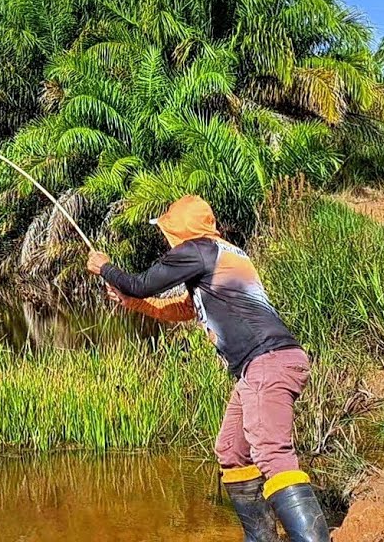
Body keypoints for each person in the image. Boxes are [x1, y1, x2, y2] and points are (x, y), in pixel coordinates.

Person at [85, 195, 327, 542]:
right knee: (231, 450)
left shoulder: (197, 249)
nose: (165, 239)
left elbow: (140, 282)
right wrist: (136, 304)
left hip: (267, 362)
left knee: (271, 452)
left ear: (180, 230)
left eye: (167, 231)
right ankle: (261, 538)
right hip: (259, 367)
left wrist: (105, 267)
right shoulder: (222, 255)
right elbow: (184, 309)